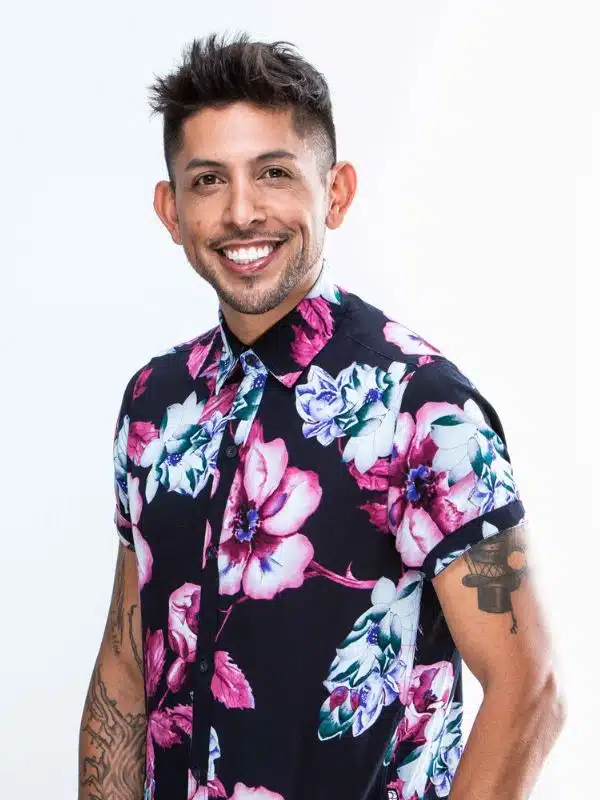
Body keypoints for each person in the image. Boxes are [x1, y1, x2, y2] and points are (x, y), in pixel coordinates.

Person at [78, 31, 565, 800]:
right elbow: (127, 662)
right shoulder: (154, 401)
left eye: (274, 173)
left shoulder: (420, 404)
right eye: (208, 181)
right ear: (170, 210)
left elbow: (529, 689)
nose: (242, 212)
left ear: (335, 192)